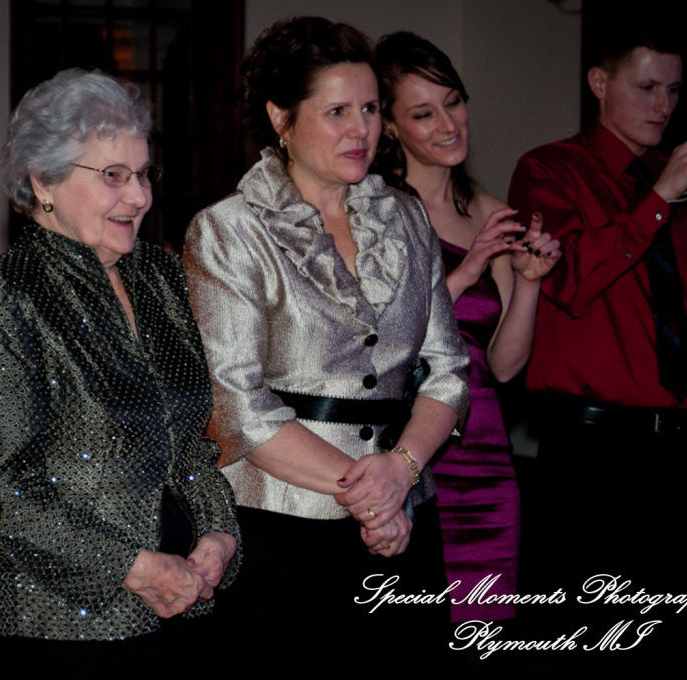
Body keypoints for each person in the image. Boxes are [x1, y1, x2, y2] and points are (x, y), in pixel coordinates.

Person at [181, 17, 469, 672]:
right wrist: (368, 493)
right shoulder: (228, 231)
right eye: (337, 111)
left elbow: (449, 371)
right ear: (281, 117)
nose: (361, 129)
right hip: (280, 534)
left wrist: (400, 471)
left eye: (370, 109)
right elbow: (236, 408)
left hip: (404, 522)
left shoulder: (407, 217)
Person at [0, 69, 239, 679]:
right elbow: (1, 486)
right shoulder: (1, 292)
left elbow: (191, 444)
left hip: (183, 612)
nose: (139, 197)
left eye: (144, 174)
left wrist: (218, 535)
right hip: (59, 630)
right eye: (113, 176)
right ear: (43, 181)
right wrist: (137, 567)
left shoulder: (160, 277)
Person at [507, 25, 687, 608]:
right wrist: (658, 198)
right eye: (647, 87)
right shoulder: (550, 170)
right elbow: (568, 279)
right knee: (592, 629)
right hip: (592, 448)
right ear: (600, 83)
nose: (663, 106)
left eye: (674, 90)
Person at [373, 31, 561, 624]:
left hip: (486, 456)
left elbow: (505, 365)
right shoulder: (376, 211)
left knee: (487, 638)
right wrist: (467, 270)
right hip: (412, 457)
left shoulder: (489, 210)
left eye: (453, 101)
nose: (449, 124)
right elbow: (384, 342)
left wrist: (528, 282)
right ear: (391, 127)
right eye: (423, 113)